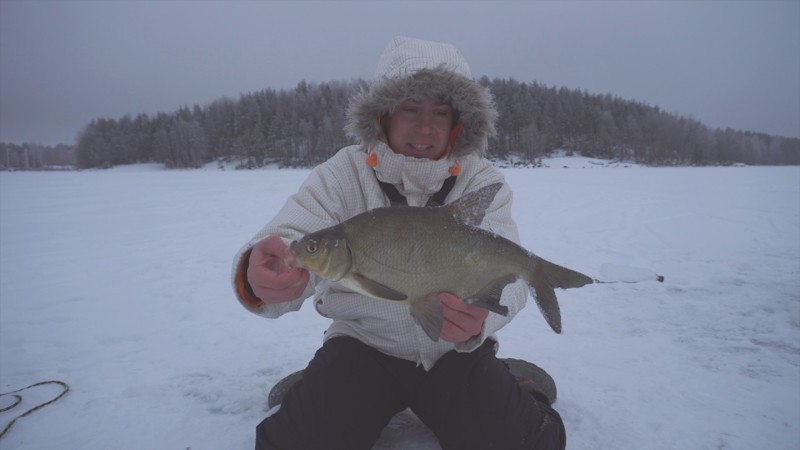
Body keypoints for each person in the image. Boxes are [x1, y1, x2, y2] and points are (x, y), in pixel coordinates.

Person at [231, 36, 566, 450]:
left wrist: (482, 319)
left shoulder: (482, 180)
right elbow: (291, 237)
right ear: (382, 115)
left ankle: (521, 386)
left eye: (439, 112)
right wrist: (261, 275)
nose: (425, 127)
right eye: (410, 108)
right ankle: (319, 385)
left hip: (454, 355)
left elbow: (507, 271)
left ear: (459, 122)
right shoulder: (342, 173)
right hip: (362, 350)